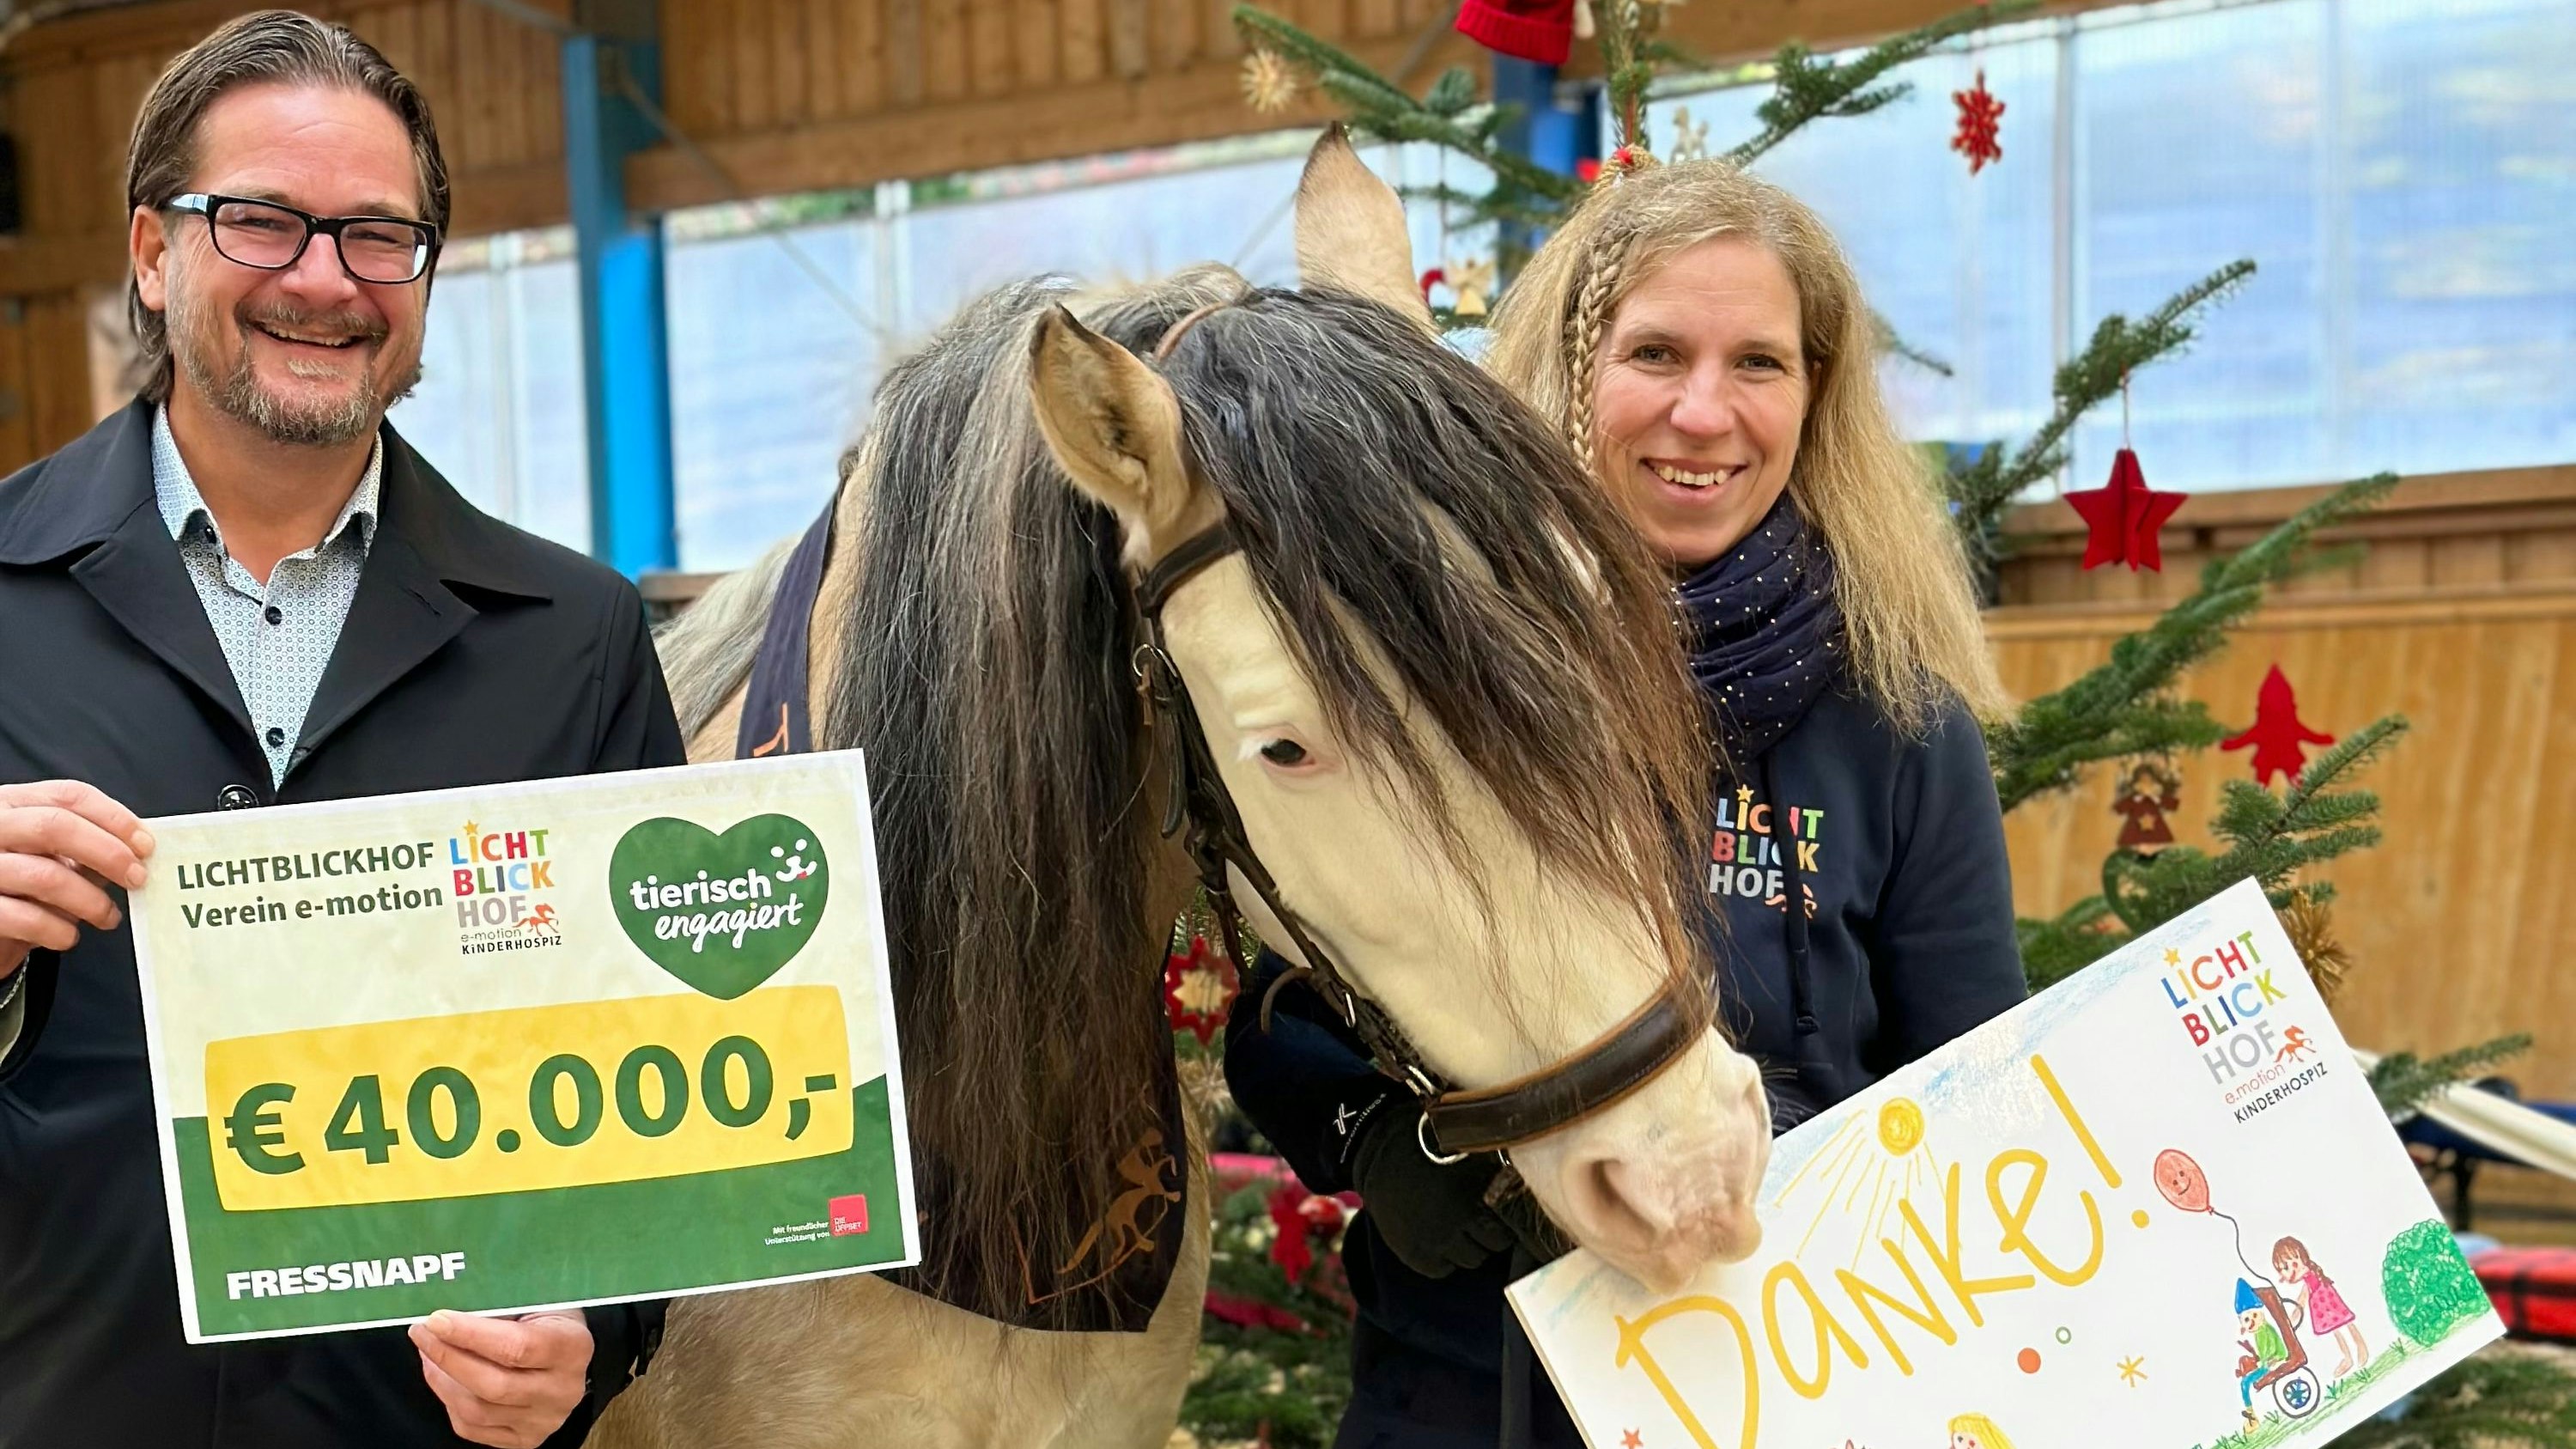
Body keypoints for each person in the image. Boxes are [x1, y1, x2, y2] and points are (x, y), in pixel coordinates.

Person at [1224, 156, 2027, 1446]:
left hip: (1797, 1376)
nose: (1703, 413)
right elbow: (1291, 988)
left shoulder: (1897, 721)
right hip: (1462, 1386)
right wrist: (1375, 1138)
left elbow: (1978, 1074)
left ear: (1814, 394)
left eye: (1758, 363)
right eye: (1654, 353)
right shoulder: (1438, 682)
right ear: (1570, 371)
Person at [0, 12, 683, 1446]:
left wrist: (594, 1337)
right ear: (152, 254)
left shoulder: (573, 638)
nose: (325, 280)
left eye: (380, 236)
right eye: (260, 221)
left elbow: (659, 1100)